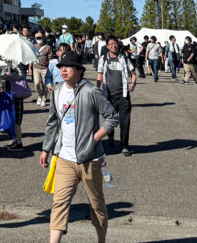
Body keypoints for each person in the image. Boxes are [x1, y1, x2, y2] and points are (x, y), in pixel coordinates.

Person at [40, 50, 119, 243]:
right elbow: (52, 122)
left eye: (68, 67)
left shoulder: (91, 91)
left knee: (96, 205)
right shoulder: (57, 90)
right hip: (64, 158)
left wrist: (96, 137)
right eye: (61, 67)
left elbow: (112, 116)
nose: (63, 70)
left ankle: (101, 240)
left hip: (89, 159)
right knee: (59, 203)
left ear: (79, 70)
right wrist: (46, 149)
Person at [97, 36, 135, 156]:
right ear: (107, 46)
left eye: (115, 44)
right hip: (108, 96)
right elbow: (99, 76)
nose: (114, 46)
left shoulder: (124, 58)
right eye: (111, 44)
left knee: (125, 122)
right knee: (109, 120)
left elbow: (133, 74)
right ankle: (111, 135)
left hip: (123, 96)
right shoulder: (103, 59)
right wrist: (97, 90)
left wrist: (133, 84)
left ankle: (124, 146)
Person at [33, 32, 51, 105]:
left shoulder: (48, 47)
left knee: (44, 84)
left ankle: (44, 98)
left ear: (43, 38)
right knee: (36, 83)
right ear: (35, 39)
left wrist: (50, 68)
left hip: (45, 68)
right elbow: (31, 58)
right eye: (37, 38)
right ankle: (39, 96)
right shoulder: (33, 46)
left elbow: (50, 58)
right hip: (36, 67)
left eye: (40, 38)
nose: (39, 39)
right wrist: (30, 68)